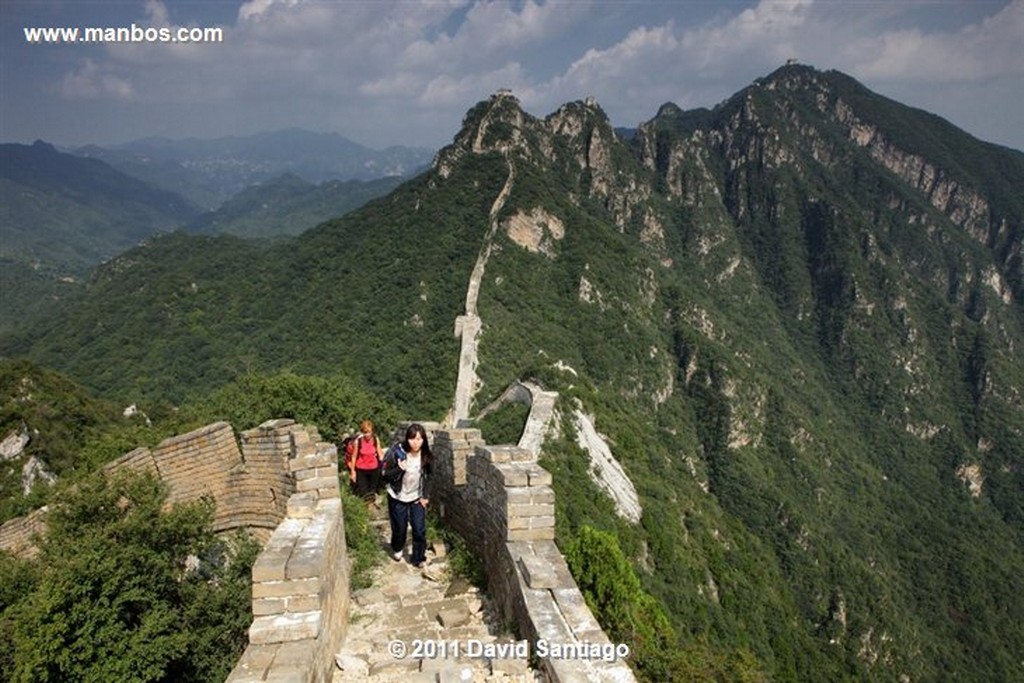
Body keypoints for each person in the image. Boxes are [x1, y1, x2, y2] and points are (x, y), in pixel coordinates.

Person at [381, 423, 433, 568]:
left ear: (424, 440)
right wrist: (398, 469)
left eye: (419, 439)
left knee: (419, 529)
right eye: (412, 439)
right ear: (407, 439)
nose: (415, 442)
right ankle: (397, 547)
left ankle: (418, 558)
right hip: (397, 497)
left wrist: (425, 496)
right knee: (399, 528)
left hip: (416, 497)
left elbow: (429, 477)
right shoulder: (397, 453)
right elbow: (384, 475)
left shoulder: (426, 456)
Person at [345, 420, 384, 504]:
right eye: (365, 432)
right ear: (362, 432)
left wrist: (385, 465)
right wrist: (353, 472)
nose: (367, 435)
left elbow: (380, 453)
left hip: (374, 469)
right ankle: (365, 510)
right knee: (364, 492)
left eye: (369, 432)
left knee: (372, 492)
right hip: (361, 470)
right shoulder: (358, 442)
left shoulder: (375, 440)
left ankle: (371, 510)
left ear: (372, 431)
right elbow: (354, 457)